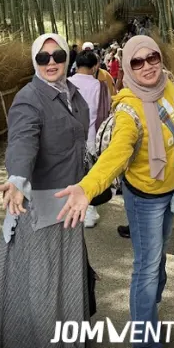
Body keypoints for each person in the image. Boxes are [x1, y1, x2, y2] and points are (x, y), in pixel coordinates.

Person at [0, 34, 98, 348]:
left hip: (67, 201)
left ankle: (27, 342)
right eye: (43, 57)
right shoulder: (29, 98)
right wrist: (16, 181)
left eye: (58, 55)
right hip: (40, 204)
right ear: (34, 60)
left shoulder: (71, 92)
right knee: (51, 287)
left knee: (29, 275)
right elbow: (23, 141)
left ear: (67, 57)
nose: (51, 61)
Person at [55, 36, 174, 348]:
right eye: (137, 62)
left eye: (152, 58)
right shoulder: (129, 109)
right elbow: (115, 156)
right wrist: (86, 188)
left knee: (157, 264)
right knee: (146, 269)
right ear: (126, 67)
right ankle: (147, 347)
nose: (147, 66)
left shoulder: (169, 87)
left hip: (170, 190)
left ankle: (147, 312)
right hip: (144, 197)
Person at [69, 50, 111, 228]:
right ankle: (89, 213)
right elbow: (106, 110)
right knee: (90, 175)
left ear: (76, 65)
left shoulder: (65, 84)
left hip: (68, 137)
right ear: (95, 67)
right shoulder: (100, 86)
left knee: (71, 173)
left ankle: (69, 209)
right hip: (91, 137)